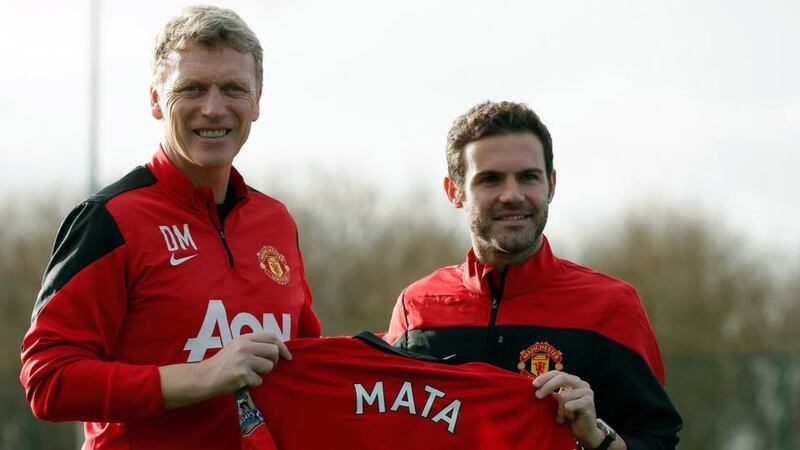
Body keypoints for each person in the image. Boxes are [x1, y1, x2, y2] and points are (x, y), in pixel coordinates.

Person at [19, 6, 320, 449]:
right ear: (157, 100)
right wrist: (200, 377)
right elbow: (48, 381)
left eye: (233, 89)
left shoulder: (275, 221)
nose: (213, 109)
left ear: (256, 102)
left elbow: (308, 364)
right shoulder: (109, 220)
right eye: (192, 88)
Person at [384, 101, 682, 450]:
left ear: (551, 185)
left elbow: (658, 441)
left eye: (528, 177)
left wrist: (597, 438)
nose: (512, 195)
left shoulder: (612, 306)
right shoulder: (415, 308)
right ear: (455, 193)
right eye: (490, 179)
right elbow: (386, 431)